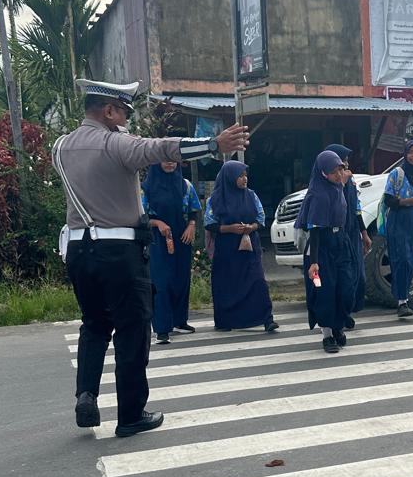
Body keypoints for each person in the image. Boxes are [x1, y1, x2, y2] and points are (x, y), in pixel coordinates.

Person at [51, 78, 248, 437]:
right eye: (123, 111)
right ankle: (130, 415)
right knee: (131, 330)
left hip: (78, 251)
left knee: (93, 324)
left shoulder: (60, 146)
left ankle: (86, 394)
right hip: (119, 252)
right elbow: (161, 149)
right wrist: (212, 145)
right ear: (108, 110)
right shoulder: (115, 144)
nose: (126, 119)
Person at [203, 161, 279, 334]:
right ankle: (226, 320)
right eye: (240, 176)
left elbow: (261, 216)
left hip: (249, 246)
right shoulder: (216, 199)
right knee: (227, 284)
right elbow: (209, 223)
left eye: (245, 175)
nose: (245, 179)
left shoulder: (251, 195)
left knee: (257, 281)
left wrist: (251, 227)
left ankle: (267, 319)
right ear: (229, 178)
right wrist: (229, 229)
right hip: (227, 249)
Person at [298, 149, 356, 353]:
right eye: (333, 172)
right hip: (320, 250)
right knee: (324, 291)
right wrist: (314, 262)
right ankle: (328, 335)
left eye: (340, 169)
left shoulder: (338, 188)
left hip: (341, 244)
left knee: (346, 288)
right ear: (323, 172)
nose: (338, 175)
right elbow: (314, 231)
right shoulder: (318, 195)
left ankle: (339, 324)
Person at [141, 160, 201, 345]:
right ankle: (162, 328)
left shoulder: (185, 185)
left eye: (173, 159)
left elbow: (194, 209)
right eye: (164, 159)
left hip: (182, 237)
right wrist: (158, 223)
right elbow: (141, 216)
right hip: (158, 240)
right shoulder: (146, 188)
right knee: (161, 282)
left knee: (181, 279)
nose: (169, 163)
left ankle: (179, 320)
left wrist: (191, 225)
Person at [325, 142, 371, 328]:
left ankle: (347, 311)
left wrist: (364, 232)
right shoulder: (329, 185)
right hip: (337, 235)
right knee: (343, 279)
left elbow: (356, 208)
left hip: (352, 233)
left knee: (358, 277)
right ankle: (341, 316)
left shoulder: (351, 182)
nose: (346, 165)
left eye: (346, 161)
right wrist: (341, 184)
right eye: (342, 161)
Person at [384, 139, 413, 317]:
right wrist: (404, 202)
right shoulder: (396, 173)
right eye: (411, 152)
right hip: (398, 219)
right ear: (405, 154)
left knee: (411, 260)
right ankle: (401, 302)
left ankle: (407, 299)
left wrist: (412, 205)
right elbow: (388, 199)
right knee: (400, 260)